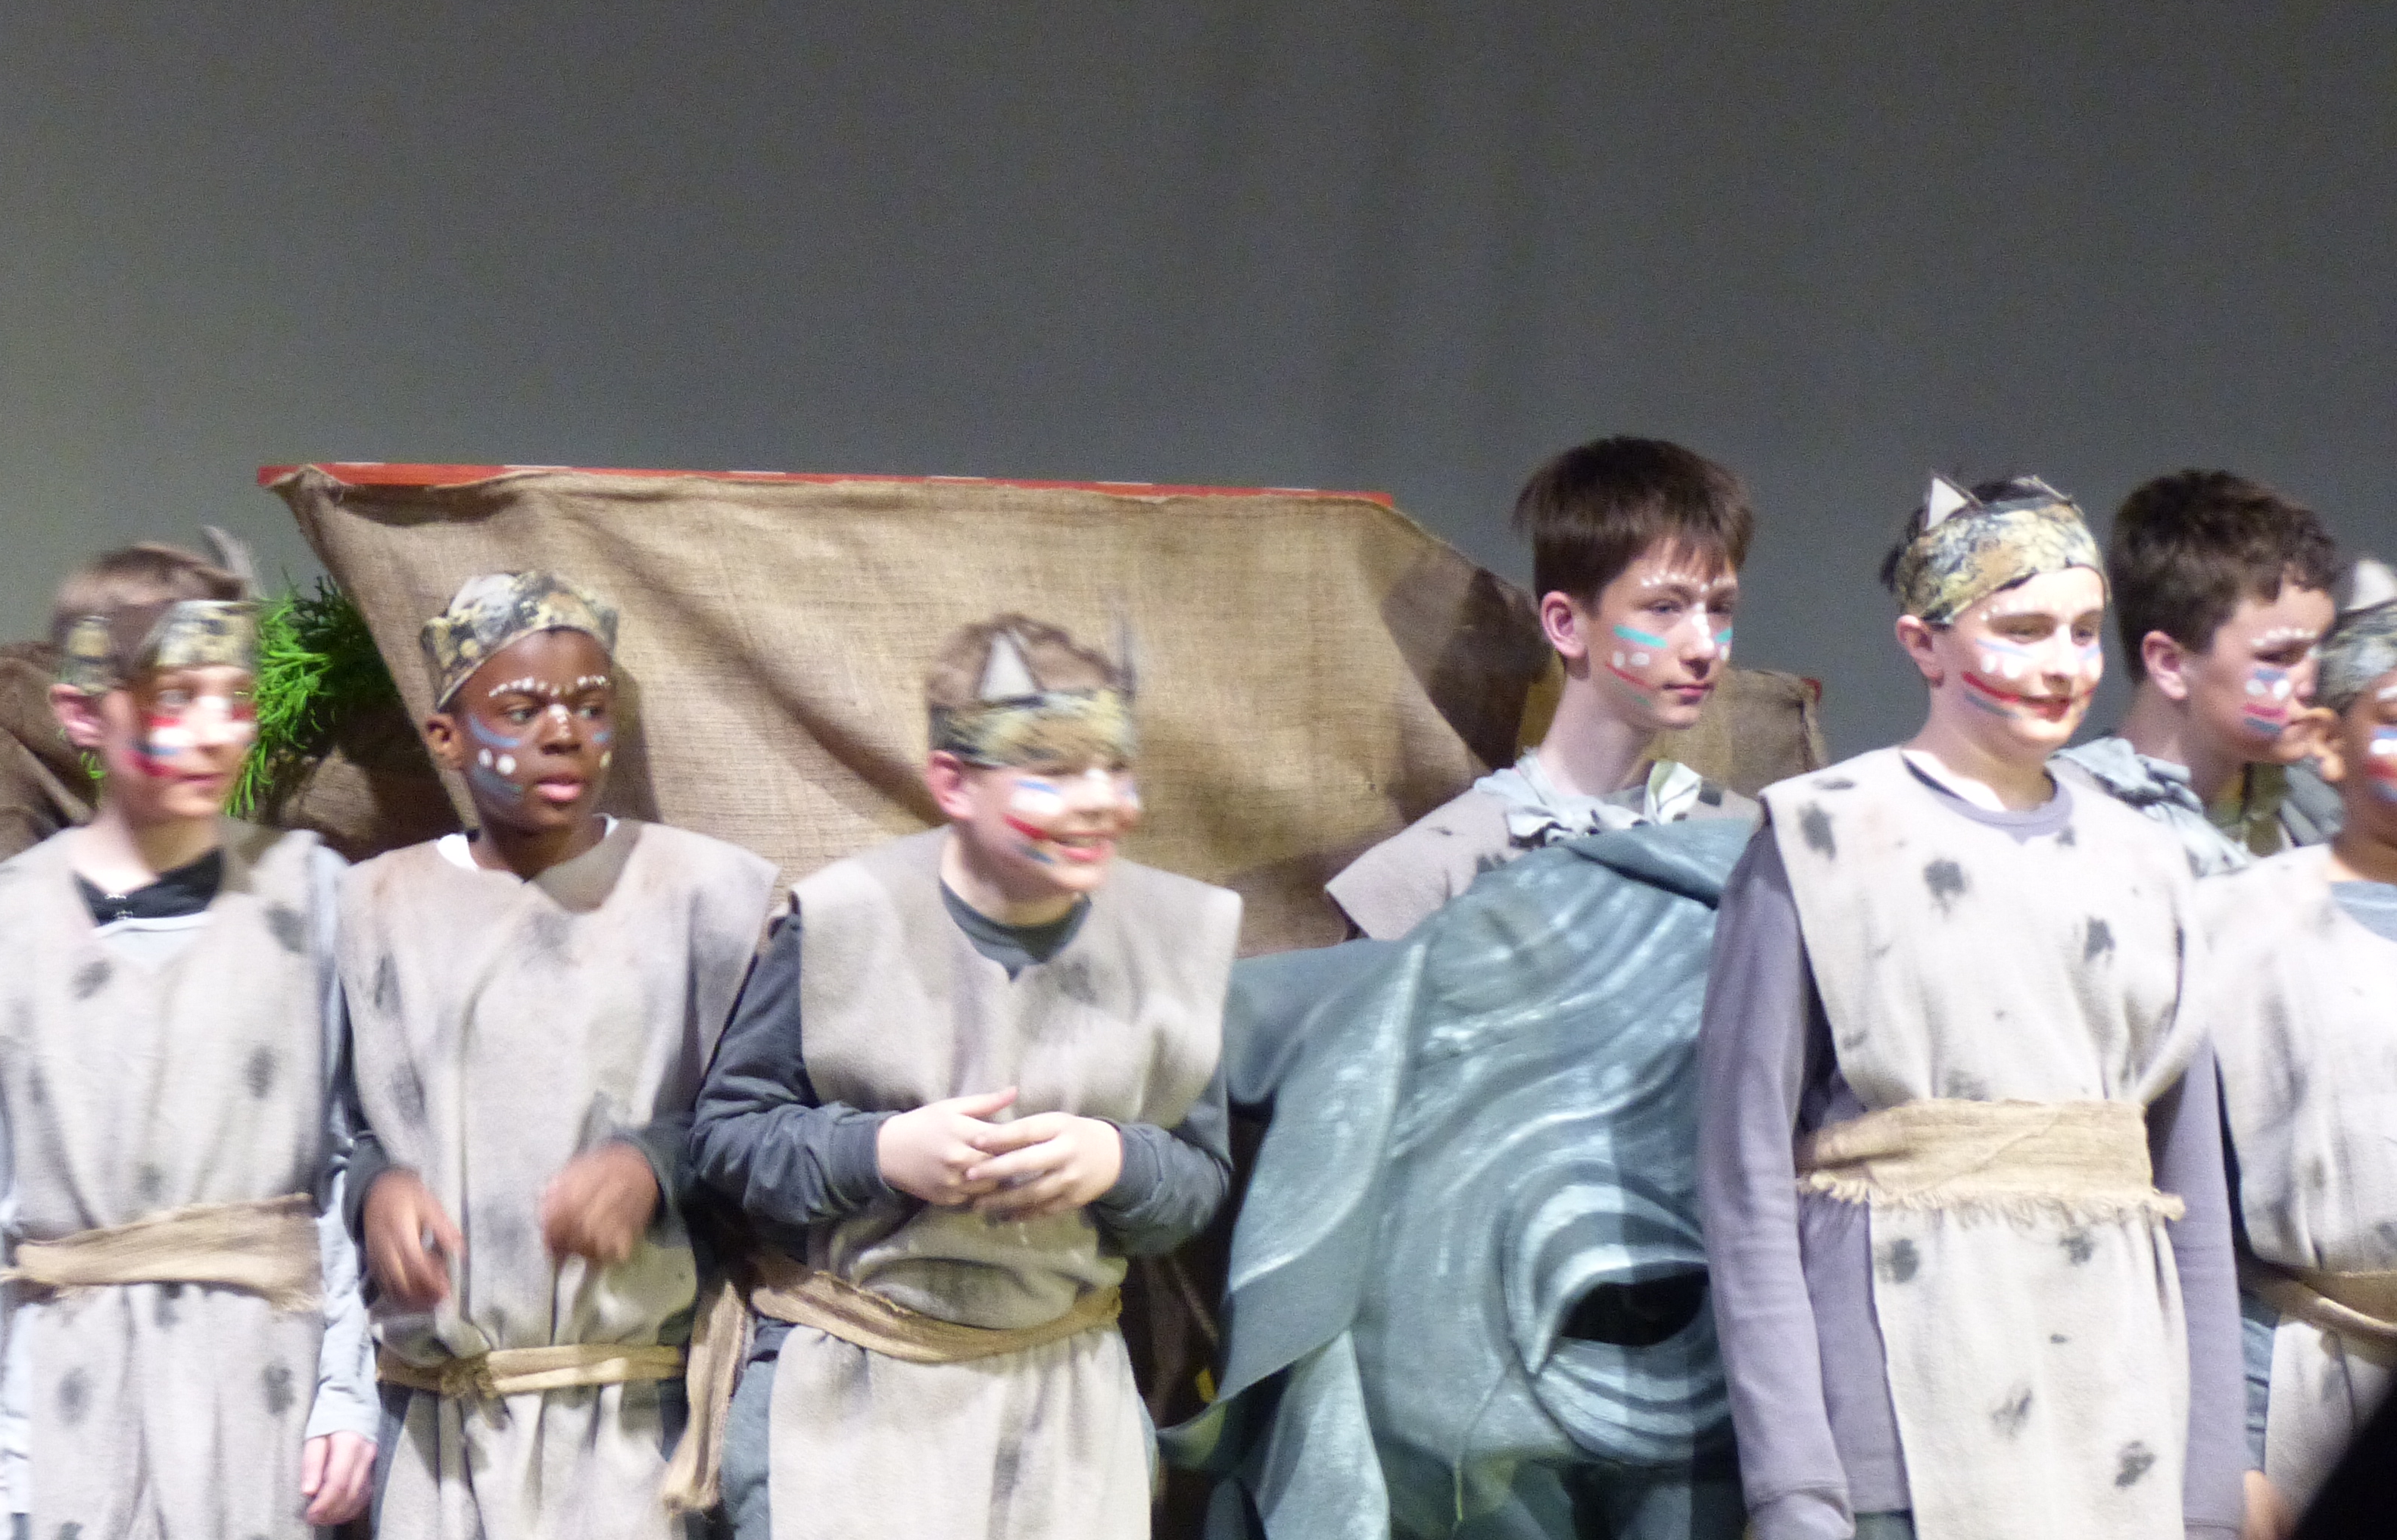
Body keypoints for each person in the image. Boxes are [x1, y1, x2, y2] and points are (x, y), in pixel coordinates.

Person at [1700, 477, 2243, 1540]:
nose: (2064, 664)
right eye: (2023, 630)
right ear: (1925, 644)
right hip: (1905, 1396)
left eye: (2083, 631)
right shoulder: (1823, 836)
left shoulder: (2147, 858)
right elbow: (1742, 1173)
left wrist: (2210, 1492)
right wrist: (1794, 1482)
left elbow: (2190, 1189)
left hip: (2115, 1404)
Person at [689, 615, 1239, 1540]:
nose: (1099, 801)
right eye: (1052, 772)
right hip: (858, 1395)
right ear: (953, 782)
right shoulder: (843, 923)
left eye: (1114, 768)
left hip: (1061, 1406)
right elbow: (728, 1136)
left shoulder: (1171, 945)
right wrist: (880, 1152)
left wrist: (1117, 1163)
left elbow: (1198, 1183)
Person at [0, 542, 378, 1540]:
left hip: (264, 1410)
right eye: (176, 700)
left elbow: (348, 1162)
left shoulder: (310, 896)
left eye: (233, 697)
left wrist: (348, 1393)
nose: (214, 730)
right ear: (86, 713)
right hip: (69, 1430)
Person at [338, 570, 776, 1538]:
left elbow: (765, 1117)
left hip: (632, 1423)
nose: (564, 732)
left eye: (590, 705)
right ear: (446, 737)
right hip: (440, 1429)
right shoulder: (373, 909)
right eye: (521, 710)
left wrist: (654, 1163)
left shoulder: (706, 897)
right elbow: (339, 1124)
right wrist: (375, 1188)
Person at [1329, 435, 1756, 940]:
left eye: (1720, 608)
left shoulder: (1747, 843)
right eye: (1664, 607)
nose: (1705, 647)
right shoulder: (1436, 871)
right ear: (1565, 624)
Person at [2200, 559, 2397, 1531]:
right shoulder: (2237, 923)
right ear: (2327, 740)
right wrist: (2229, 1455)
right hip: (2299, 1373)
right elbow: (2189, 1211)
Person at [2054, 470, 2341, 873]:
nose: (2313, 682)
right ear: (2170, 664)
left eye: (2320, 649)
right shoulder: (2064, 819)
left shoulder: (2326, 804)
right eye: (2278, 657)